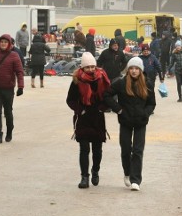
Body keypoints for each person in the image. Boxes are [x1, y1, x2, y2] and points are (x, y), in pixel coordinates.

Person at [105, 56, 156, 191]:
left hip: (140, 122)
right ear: (128, 70)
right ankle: (127, 172)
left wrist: (146, 113)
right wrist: (118, 109)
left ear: (140, 70)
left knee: (138, 151)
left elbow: (152, 103)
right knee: (126, 149)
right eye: (131, 68)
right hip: (125, 121)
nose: (134, 71)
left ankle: (136, 180)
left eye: (136, 69)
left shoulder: (147, 83)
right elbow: (107, 95)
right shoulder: (121, 83)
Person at [66, 52, 111, 189]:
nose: (91, 69)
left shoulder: (102, 77)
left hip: (97, 117)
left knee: (97, 149)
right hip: (84, 117)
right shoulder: (76, 80)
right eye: (88, 67)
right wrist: (80, 110)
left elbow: (109, 97)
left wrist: (102, 108)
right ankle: (84, 176)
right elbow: (70, 100)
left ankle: (95, 171)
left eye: (92, 66)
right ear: (82, 68)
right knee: (84, 148)